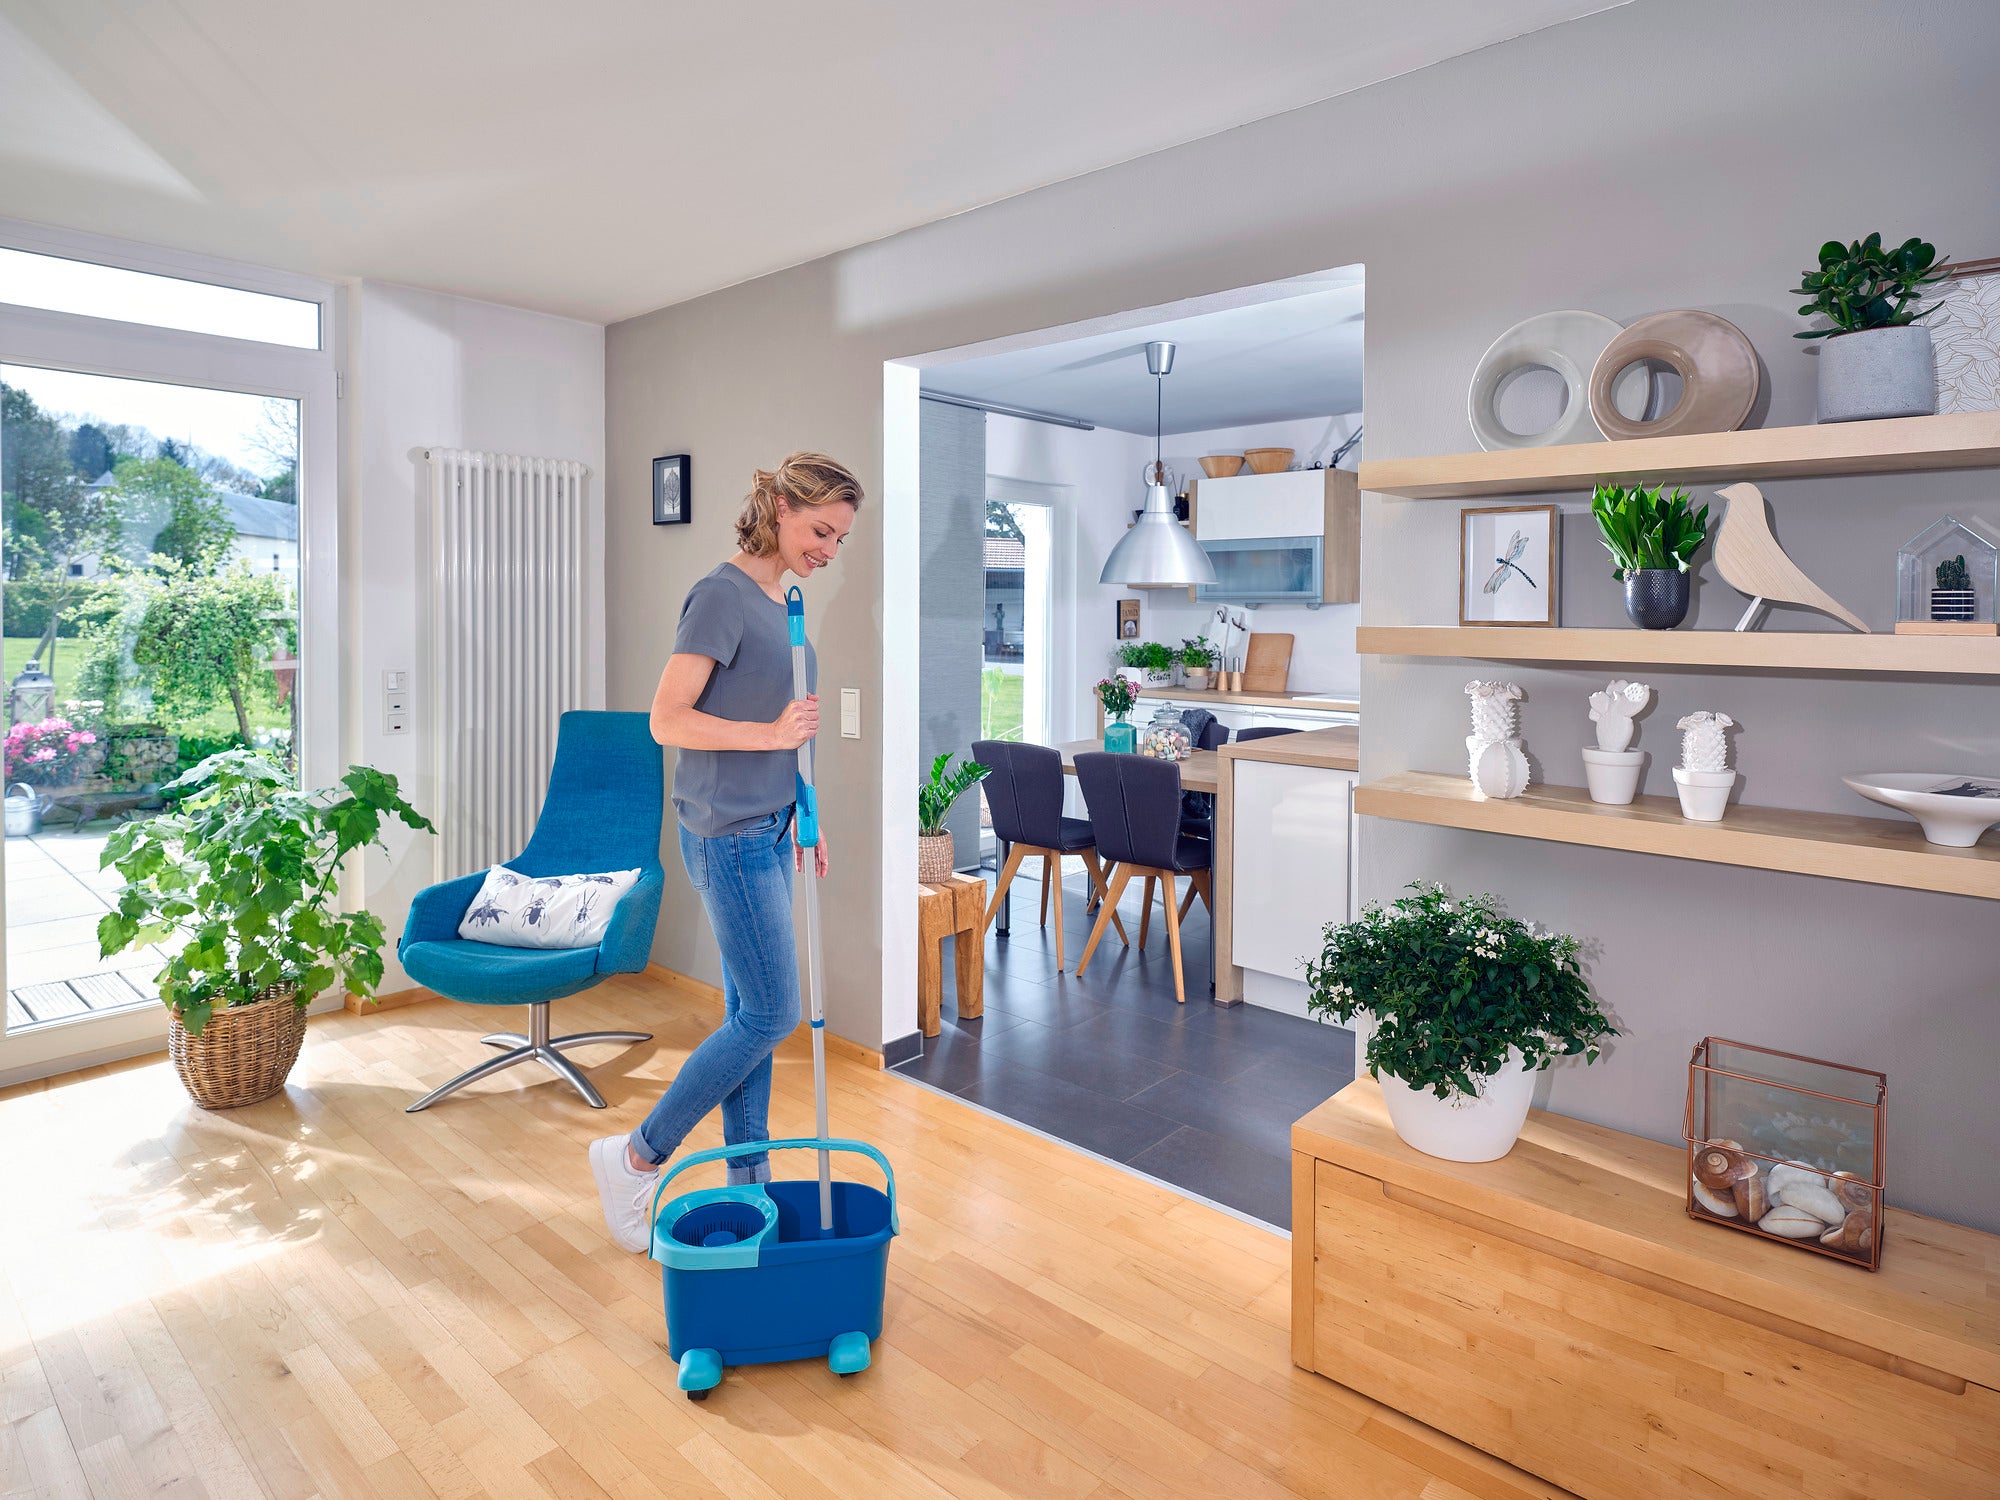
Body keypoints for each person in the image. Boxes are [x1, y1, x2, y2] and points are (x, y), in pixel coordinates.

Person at [590, 452, 861, 1252]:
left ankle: (752, 1192)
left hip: (772, 824)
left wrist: (808, 811)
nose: (829, 550)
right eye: (821, 531)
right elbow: (666, 719)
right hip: (728, 832)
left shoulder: (786, 601)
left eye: (840, 539)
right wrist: (769, 738)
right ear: (781, 509)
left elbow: (794, 726)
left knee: (751, 1018)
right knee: (773, 1014)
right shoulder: (722, 595)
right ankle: (636, 1157)